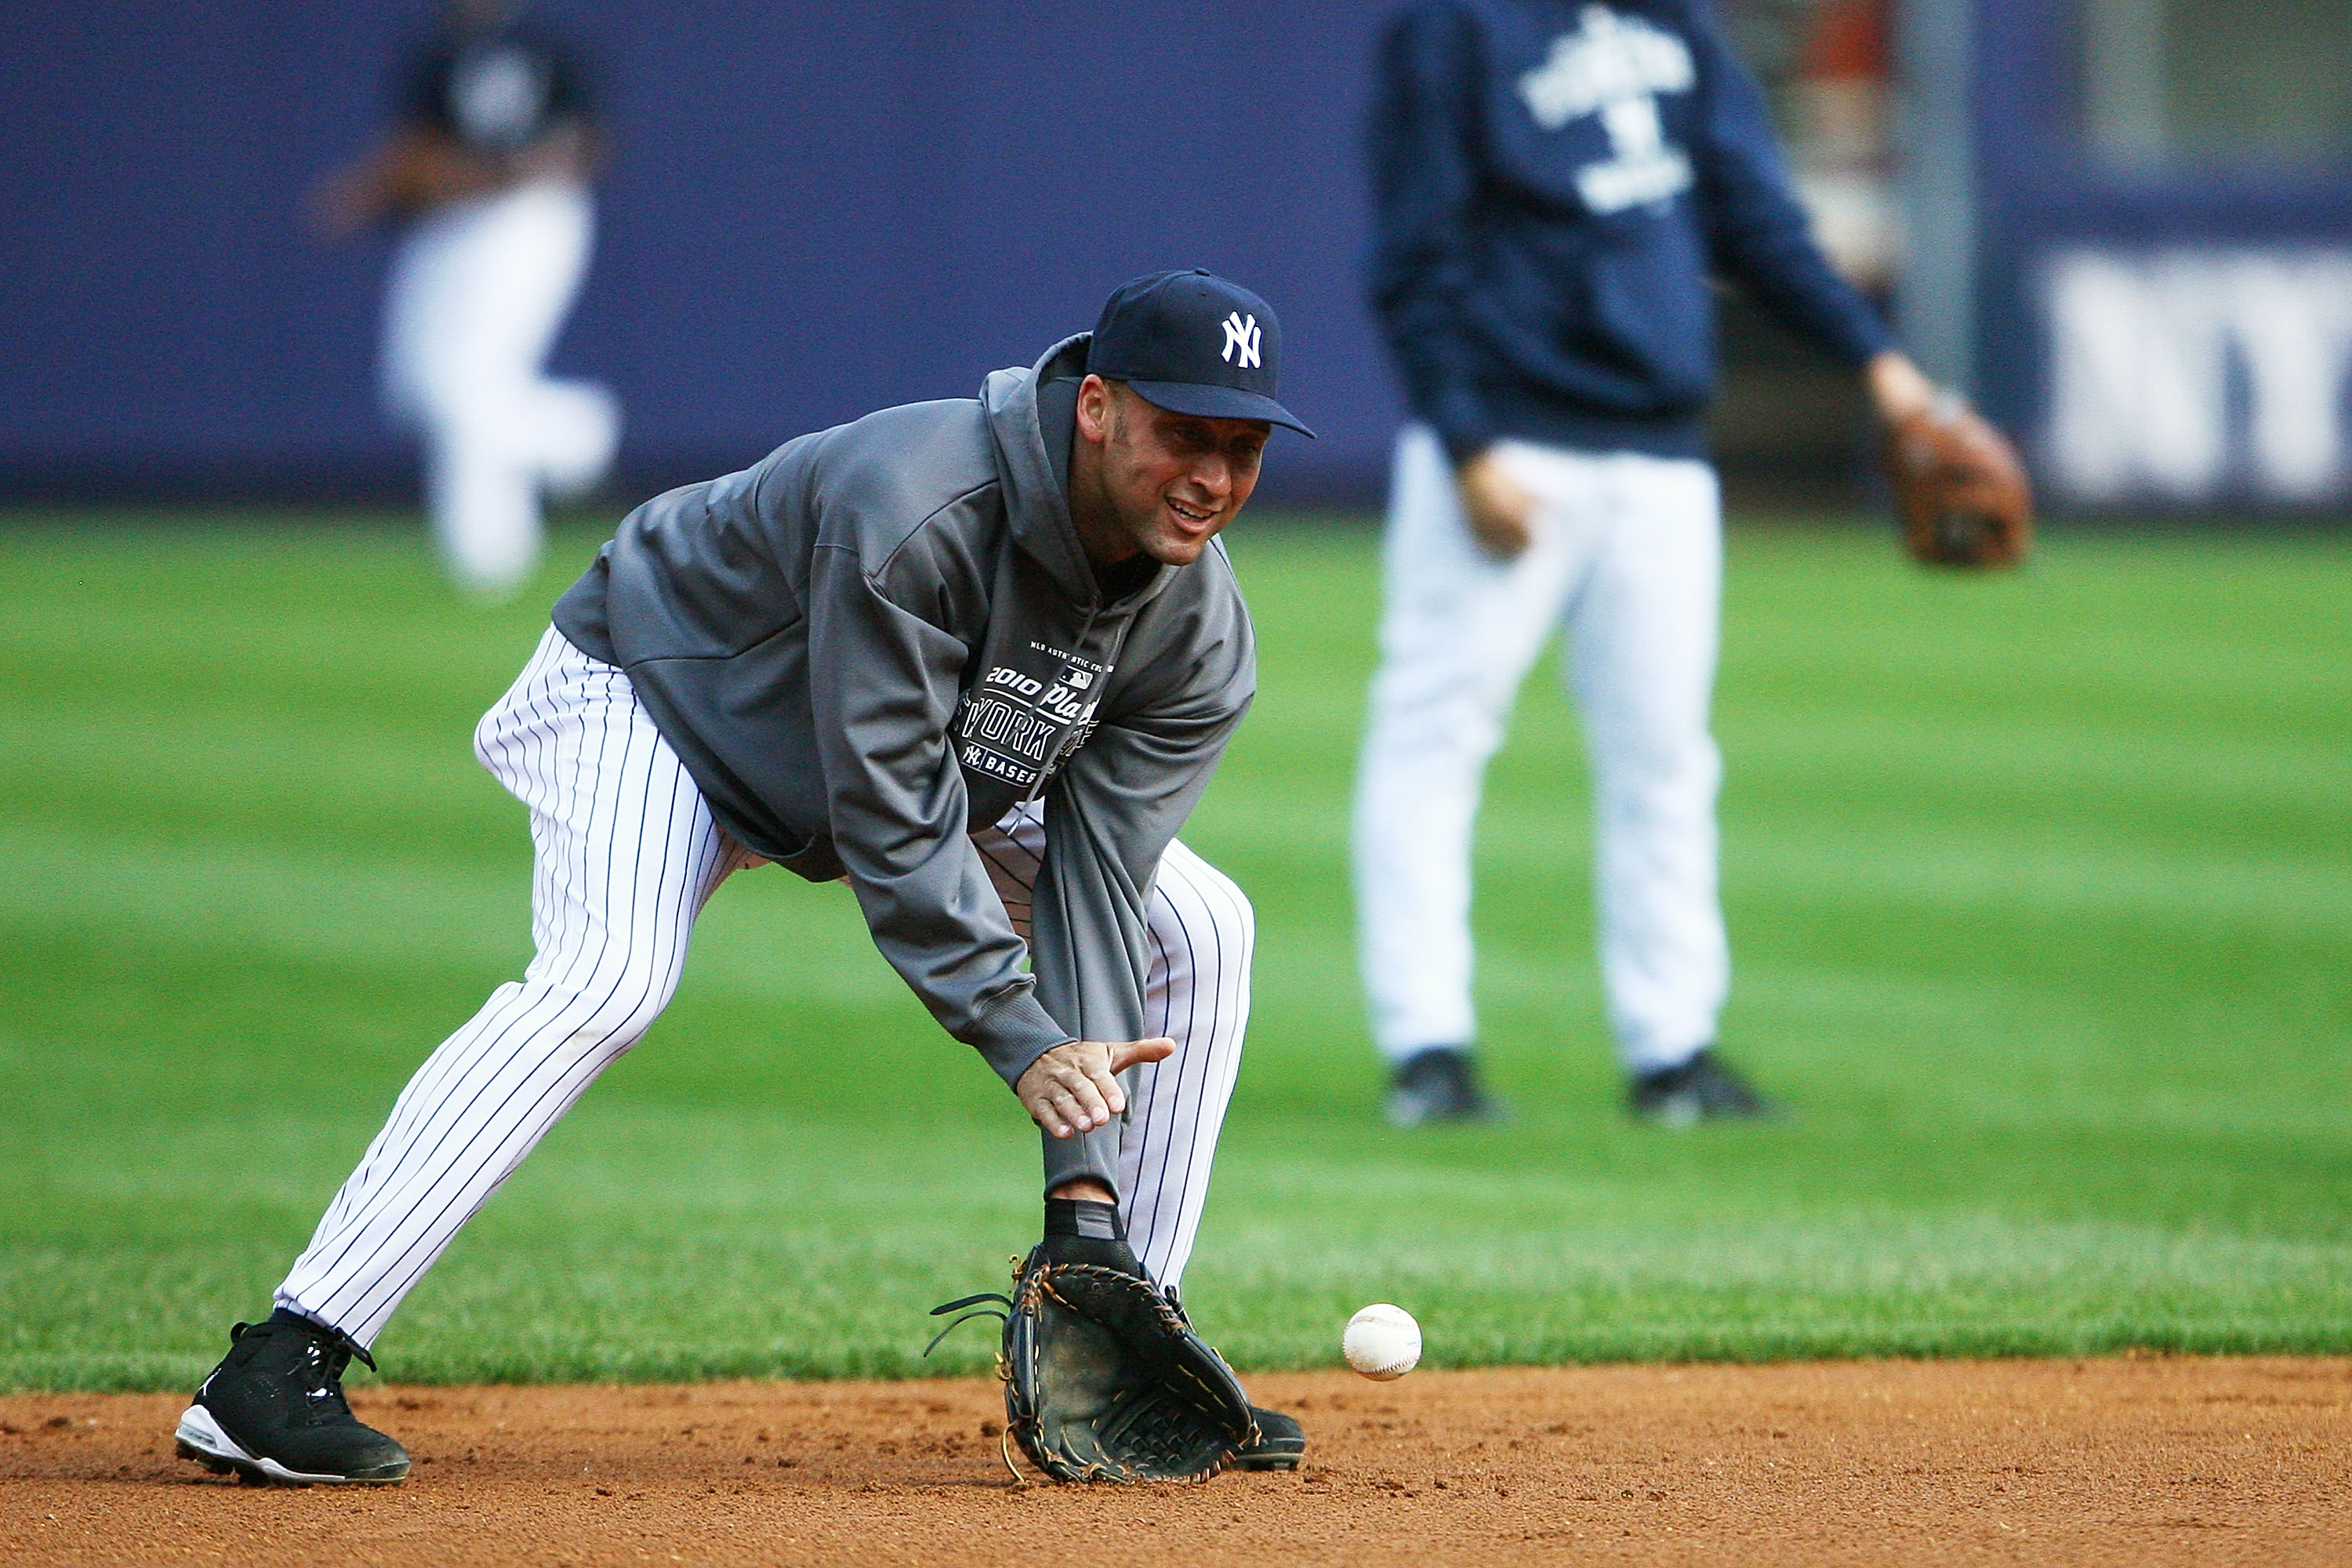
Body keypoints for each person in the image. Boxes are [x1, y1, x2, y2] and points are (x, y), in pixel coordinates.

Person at [174, 270, 1313, 1486]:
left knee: (1197, 924)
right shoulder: (916, 504)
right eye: (1181, 435)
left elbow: (1099, 878)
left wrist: (1079, 1198)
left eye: (1241, 449)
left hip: (912, 752)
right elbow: (889, 815)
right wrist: (1017, 1034)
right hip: (667, 699)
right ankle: (279, 1363)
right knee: (605, 981)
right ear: (1096, 408)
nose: (1212, 478)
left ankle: (1136, 1343)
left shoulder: (1199, 632)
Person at [1356, 0, 1944, 1127]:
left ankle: (1673, 1054)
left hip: (1663, 454)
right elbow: (1413, 248)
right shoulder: (1457, 28)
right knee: (1434, 741)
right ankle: (1428, 1051)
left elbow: (1758, 222)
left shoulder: (1677, 26)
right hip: (1507, 446)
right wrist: (1467, 439)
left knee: (1666, 760)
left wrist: (1880, 364)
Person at [314, 0, 619, 598]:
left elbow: (588, 144)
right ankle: (574, 434)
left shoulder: (542, 45)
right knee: (421, 390)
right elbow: (417, 152)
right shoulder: (439, 49)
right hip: (444, 227)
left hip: (527, 220)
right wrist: (374, 191)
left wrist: (496, 176)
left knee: (469, 385)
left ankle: (490, 552)